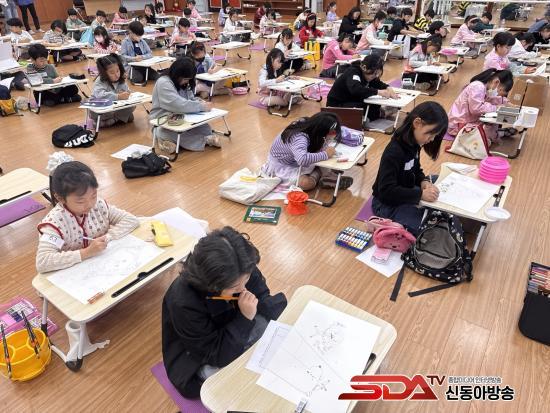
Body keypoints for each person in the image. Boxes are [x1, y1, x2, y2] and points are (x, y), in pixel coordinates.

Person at [162, 226, 286, 398]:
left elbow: (262, 295)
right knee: (226, 380)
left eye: (246, 279)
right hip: (200, 351)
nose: (243, 288)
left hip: (232, 325)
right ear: (211, 284)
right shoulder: (183, 301)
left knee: (276, 333)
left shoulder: (241, 268)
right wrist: (245, 318)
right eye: (234, 287)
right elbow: (212, 353)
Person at [36, 160, 138, 273]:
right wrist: (86, 252)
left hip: (105, 265)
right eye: (80, 201)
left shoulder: (98, 205)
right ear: (60, 198)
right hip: (74, 273)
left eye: (93, 196)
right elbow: (43, 262)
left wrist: (108, 238)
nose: (90, 204)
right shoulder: (54, 224)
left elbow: (130, 220)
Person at [371, 102, 448, 235]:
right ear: (417, 123)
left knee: (437, 179)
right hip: (386, 204)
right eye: (430, 134)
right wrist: (420, 195)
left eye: (435, 136)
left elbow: (415, 169)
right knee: (426, 229)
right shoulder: (394, 151)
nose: (432, 139)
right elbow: (386, 191)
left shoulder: (414, 143)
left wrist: (423, 181)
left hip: (406, 189)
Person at [261, 112, 354, 190]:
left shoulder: (310, 126)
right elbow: (302, 159)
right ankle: (321, 175)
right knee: (306, 183)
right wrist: (326, 154)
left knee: (322, 155)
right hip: (282, 167)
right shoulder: (299, 138)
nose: (330, 138)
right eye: (330, 134)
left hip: (296, 160)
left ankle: (325, 175)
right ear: (321, 131)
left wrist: (325, 150)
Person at [149, 57, 221, 153]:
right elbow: (177, 105)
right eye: (185, 79)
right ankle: (205, 140)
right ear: (177, 74)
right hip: (164, 118)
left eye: (188, 79)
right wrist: (201, 106)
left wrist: (201, 102)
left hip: (183, 115)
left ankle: (167, 142)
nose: (187, 82)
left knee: (205, 128)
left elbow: (190, 99)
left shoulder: (183, 83)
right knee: (166, 131)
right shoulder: (163, 82)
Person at [327, 54, 397, 128]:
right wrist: (378, 92)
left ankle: (378, 113)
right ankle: (382, 113)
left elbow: (376, 82)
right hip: (336, 106)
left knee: (373, 105)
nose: (375, 76)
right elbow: (356, 89)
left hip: (348, 101)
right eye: (374, 74)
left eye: (377, 74)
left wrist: (388, 87)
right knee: (365, 106)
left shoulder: (367, 74)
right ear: (364, 68)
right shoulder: (353, 72)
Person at [447, 68, 513, 143]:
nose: (497, 93)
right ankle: (497, 134)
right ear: (496, 82)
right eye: (499, 90)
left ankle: (495, 134)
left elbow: (489, 99)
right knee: (487, 134)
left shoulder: (482, 86)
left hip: (466, 119)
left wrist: (504, 102)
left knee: (493, 121)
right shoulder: (478, 87)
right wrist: (496, 107)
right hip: (458, 124)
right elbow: (476, 108)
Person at [90, 54, 135, 128]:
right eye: (112, 73)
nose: (116, 75)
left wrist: (127, 93)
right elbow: (100, 95)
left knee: (132, 109)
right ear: (104, 73)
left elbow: (126, 90)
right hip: (102, 108)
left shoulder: (120, 79)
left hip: (115, 108)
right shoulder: (100, 81)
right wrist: (117, 96)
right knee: (128, 117)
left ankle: (113, 120)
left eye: (118, 71)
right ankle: (117, 118)